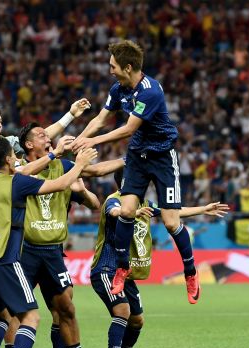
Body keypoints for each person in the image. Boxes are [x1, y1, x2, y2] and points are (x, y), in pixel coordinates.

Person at [72, 40, 200, 303]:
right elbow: (99, 119)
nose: (110, 70)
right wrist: (78, 140)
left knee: (171, 222)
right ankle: (121, 268)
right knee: (128, 211)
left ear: (128, 67)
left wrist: (93, 142)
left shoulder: (150, 92)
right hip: (137, 158)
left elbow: (128, 129)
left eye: (113, 66)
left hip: (162, 157)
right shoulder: (118, 88)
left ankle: (190, 272)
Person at [0, 137, 97, 348]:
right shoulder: (15, 183)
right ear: (8, 160)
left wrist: (54, 156)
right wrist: (80, 164)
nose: (17, 159)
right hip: (5, 259)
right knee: (31, 315)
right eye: (13, 156)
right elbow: (59, 183)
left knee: (2, 316)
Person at [91, 170, 229, 348]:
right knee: (122, 312)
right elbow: (113, 211)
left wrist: (203, 209)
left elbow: (171, 212)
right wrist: (130, 213)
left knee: (137, 320)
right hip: (107, 270)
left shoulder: (143, 202)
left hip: (127, 274)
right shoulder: (114, 200)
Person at [17, 121, 122, 348]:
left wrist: (82, 191)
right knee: (12, 311)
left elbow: (95, 203)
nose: (48, 136)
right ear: (29, 145)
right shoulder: (20, 168)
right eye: (42, 134)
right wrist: (58, 155)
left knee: (66, 308)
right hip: (24, 251)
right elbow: (19, 176)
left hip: (53, 252)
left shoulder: (64, 168)